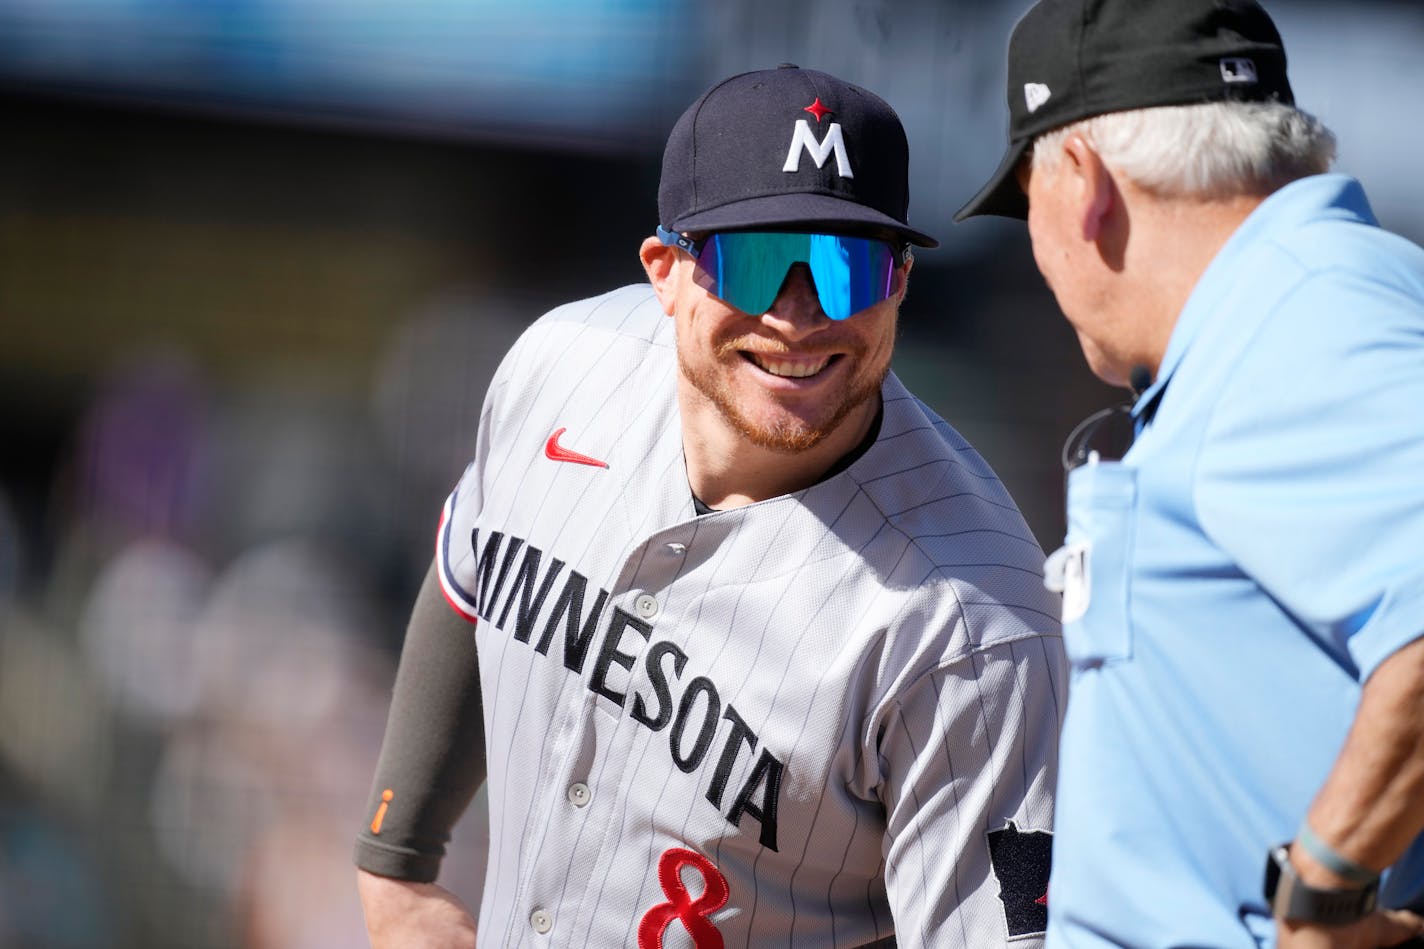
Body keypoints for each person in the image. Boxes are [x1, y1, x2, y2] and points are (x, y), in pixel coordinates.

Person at [353, 64, 1067, 946]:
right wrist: (397, 864)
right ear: (667, 269)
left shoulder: (974, 629)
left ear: (903, 283)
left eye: (849, 267)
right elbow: (468, 572)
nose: (799, 315)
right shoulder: (563, 364)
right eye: (759, 258)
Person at [956, 1, 1424, 947]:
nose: (1038, 253)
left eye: (1028, 203)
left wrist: (1324, 891)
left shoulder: (1305, 307)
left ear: (1082, 181)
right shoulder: (1291, 304)